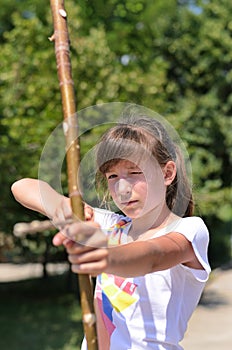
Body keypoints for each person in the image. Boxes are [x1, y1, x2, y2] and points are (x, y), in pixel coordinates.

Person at [11, 114, 211, 350]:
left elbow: (153, 256)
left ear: (167, 174)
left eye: (135, 173)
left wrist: (104, 253)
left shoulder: (190, 229)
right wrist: (62, 208)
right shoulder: (111, 225)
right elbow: (21, 187)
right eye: (113, 176)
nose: (122, 188)